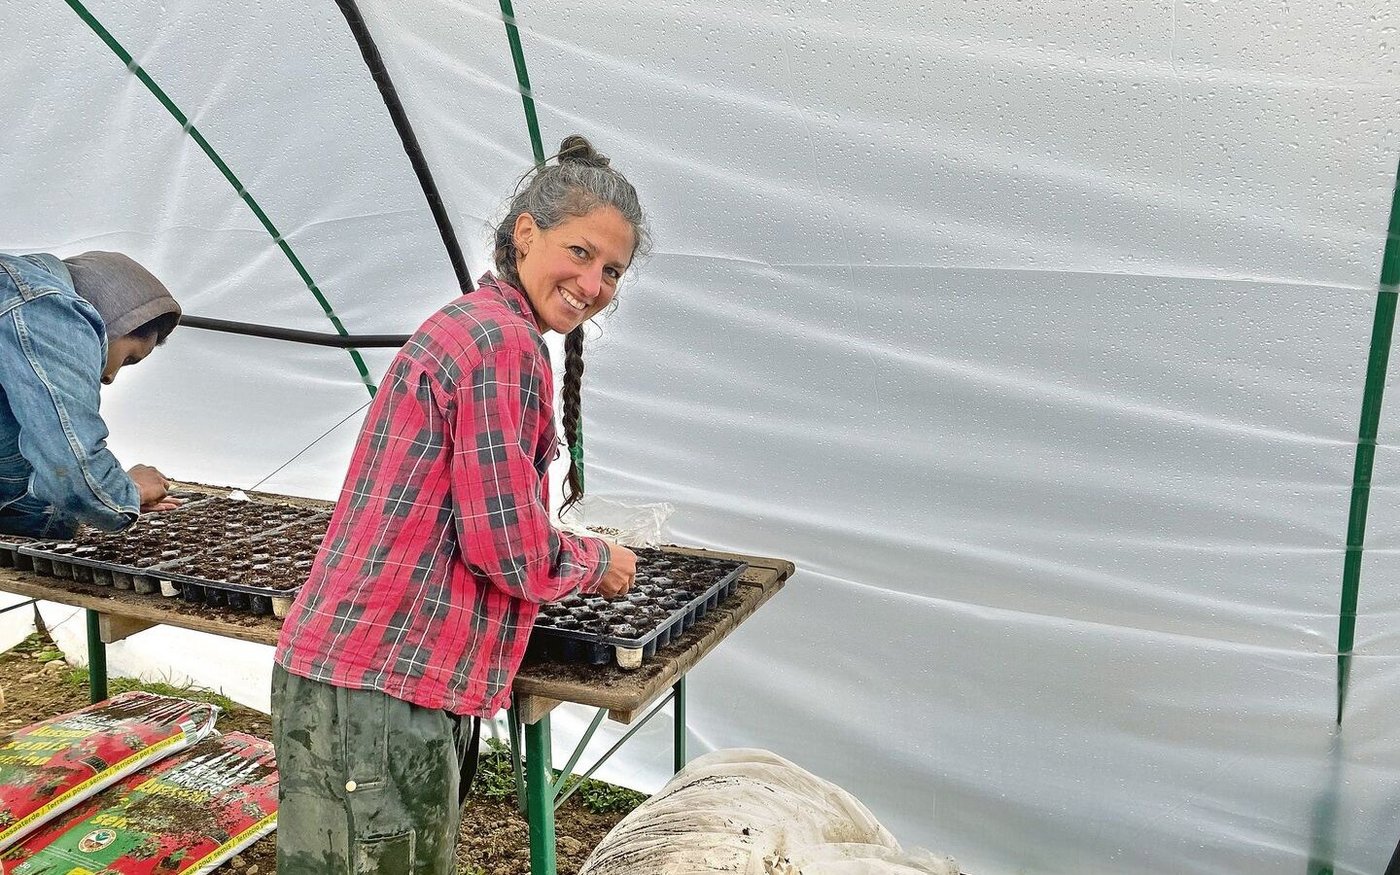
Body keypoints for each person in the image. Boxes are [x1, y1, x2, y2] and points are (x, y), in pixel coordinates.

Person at [273, 135, 648, 874]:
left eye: (612, 271)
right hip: (382, 691)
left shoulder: (471, 324)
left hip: (347, 678)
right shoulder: (502, 343)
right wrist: (597, 559)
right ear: (526, 233)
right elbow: (505, 545)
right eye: (580, 253)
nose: (594, 282)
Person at [0, 251, 181, 540]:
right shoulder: (45, 306)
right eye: (128, 358)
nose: (108, 377)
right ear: (116, 321)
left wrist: (105, 502)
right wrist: (125, 492)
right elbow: (72, 473)